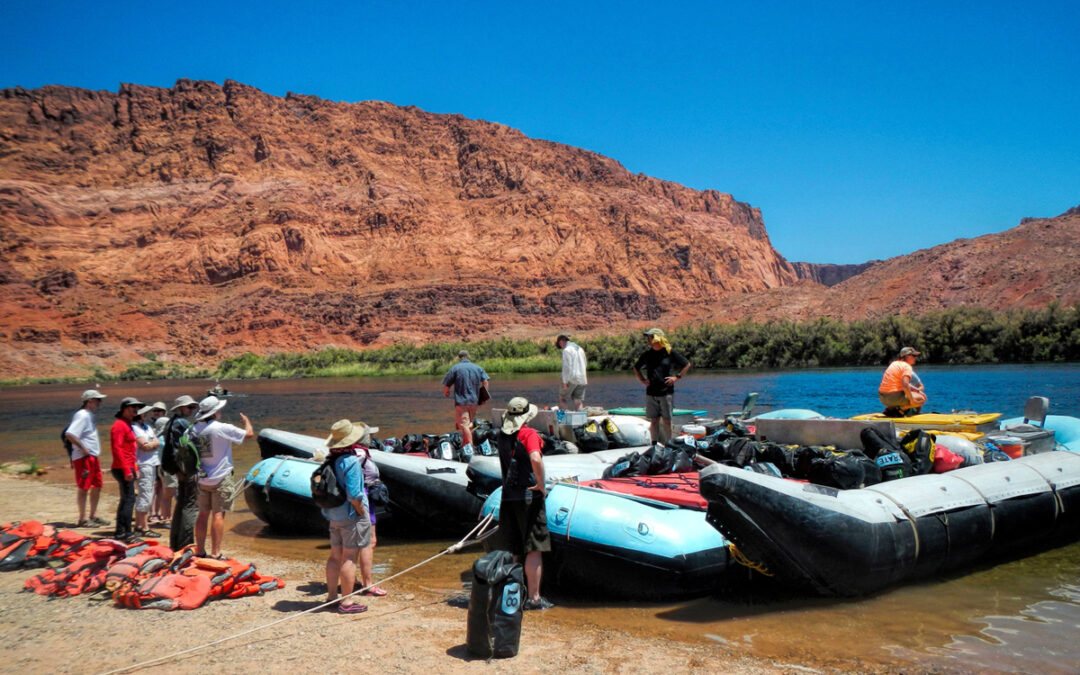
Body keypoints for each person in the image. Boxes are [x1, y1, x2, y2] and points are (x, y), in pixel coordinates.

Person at [497, 396, 554, 610]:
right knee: (533, 548)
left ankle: (513, 595)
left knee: (514, 548)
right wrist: (541, 484)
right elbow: (535, 458)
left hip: (508, 496)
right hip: (529, 497)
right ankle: (534, 598)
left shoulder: (501, 436)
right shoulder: (529, 434)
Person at [321, 419, 373, 613]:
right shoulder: (350, 461)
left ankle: (332, 597)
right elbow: (354, 495)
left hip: (333, 514)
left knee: (335, 556)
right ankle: (347, 601)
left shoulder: (330, 459)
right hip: (350, 515)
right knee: (349, 557)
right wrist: (361, 512)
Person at [191, 395, 253, 558]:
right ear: (215, 412)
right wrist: (246, 421)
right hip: (221, 476)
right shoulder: (220, 427)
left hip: (201, 478)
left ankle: (200, 550)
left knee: (202, 514)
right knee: (218, 514)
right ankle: (216, 552)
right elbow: (249, 435)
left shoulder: (193, 428)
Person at [633, 328, 691, 443]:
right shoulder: (647, 355)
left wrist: (676, 377)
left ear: (658, 338)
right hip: (651, 393)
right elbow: (636, 367)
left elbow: (687, 364)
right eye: (648, 338)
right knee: (654, 420)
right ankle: (654, 445)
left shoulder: (669, 353)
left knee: (667, 420)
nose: (648, 340)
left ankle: (668, 444)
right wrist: (642, 380)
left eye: (650, 337)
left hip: (666, 393)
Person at [65, 389, 108, 528]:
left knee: (97, 485)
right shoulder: (82, 415)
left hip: (92, 456)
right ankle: (82, 518)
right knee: (84, 487)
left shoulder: (88, 415)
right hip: (84, 457)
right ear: (90, 400)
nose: (99, 403)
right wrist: (83, 449)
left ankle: (93, 515)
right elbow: (70, 434)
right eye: (97, 400)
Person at [163, 395, 199, 551]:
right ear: (180, 408)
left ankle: (175, 542)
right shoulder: (183, 424)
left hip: (178, 469)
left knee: (181, 504)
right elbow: (190, 448)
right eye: (189, 407)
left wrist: (177, 470)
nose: (192, 410)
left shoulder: (170, 423)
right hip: (187, 469)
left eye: (193, 407)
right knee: (191, 506)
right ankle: (186, 543)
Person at [442, 349, 490, 453]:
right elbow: (485, 381)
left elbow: (446, 384)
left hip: (461, 402)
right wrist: (483, 397)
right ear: (468, 357)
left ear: (459, 357)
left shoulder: (455, 368)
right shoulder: (477, 368)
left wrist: (446, 392)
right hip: (474, 401)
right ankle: (464, 445)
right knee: (468, 424)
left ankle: (470, 448)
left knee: (464, 425)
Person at [109, 396, 143, 541]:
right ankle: (127, 533)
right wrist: (127, 470)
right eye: (132, 407)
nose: (136, 409)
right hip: (122, 467)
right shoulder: (119, 425)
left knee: (126, 499)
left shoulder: (127, 424)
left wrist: (135, 467)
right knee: (129, 500)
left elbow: (130, 450)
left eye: (137, 407)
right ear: (124, 409)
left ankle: (120, 532)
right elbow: (117, 449)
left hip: (128, 466)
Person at [131, 404, 164, 538]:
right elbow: (145, 446)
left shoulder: (147, 427)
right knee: (145, 495)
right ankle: (143, 526)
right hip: (144, 464)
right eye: (143, 413)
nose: (146, 414)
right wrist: (153, 444)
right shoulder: (135, 427)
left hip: (152, 463)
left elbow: (155, 442)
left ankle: (140, 525)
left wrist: (152, 444)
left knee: (147, 494)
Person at [879, 347, 927, 417]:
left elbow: (901, 383)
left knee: (915, 394)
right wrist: (912, 400)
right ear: (907, 356)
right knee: (922, 398)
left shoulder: (894, 364)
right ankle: (899, 409)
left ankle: (891, 409)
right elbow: (905, 385)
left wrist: (916, 390)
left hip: (883, 398)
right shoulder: (906, 366)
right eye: (914, 356)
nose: (916, 358)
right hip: (893, 398)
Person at [152, 414, 175, 526]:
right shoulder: (163, 439)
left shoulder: (158, 437)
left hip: (162, 468)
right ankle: (166, 518)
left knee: (167, 494)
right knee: (168, 495)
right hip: (167, 469)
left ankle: (165, 516)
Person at [556, 335, 587, 411]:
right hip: (582, 378)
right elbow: (585, 363)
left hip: (571, 378)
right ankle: (580, 421)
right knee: (578, 401)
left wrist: (564, 382)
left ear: (561, 342)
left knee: (562, 398)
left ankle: (564, 419)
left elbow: (567, 367)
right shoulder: (580, 349)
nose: (561, 347)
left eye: (560, 345)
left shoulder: (566, 350)